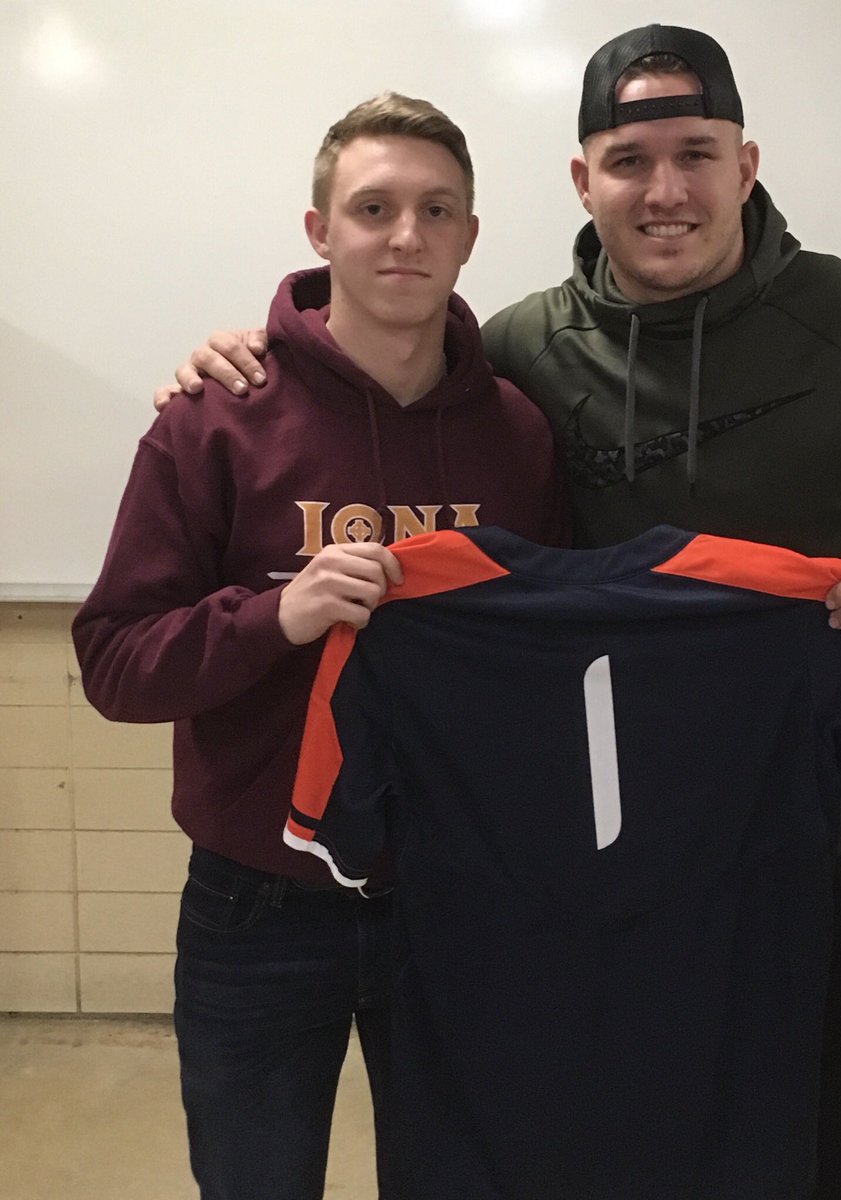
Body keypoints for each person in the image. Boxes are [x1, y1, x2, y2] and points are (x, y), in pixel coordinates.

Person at [155, 24, 841, 1200]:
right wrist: (259, 352)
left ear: (746, 164)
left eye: (696, 154)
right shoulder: (523, 351)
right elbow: (385, 365)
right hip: (634, 866)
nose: (665, 190)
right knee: (640, 1155)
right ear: (584, 180)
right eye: (630, 160)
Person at [74, 92, 568, 1200]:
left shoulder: (517, 430)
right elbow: (114, 662)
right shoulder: (215, 416)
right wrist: (274, 616)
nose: (405, 237)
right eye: (373, 208)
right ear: (320, 231)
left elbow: (556, 658)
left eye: (436, 210)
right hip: (258, 902)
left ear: (470, 236)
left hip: (460, 898)